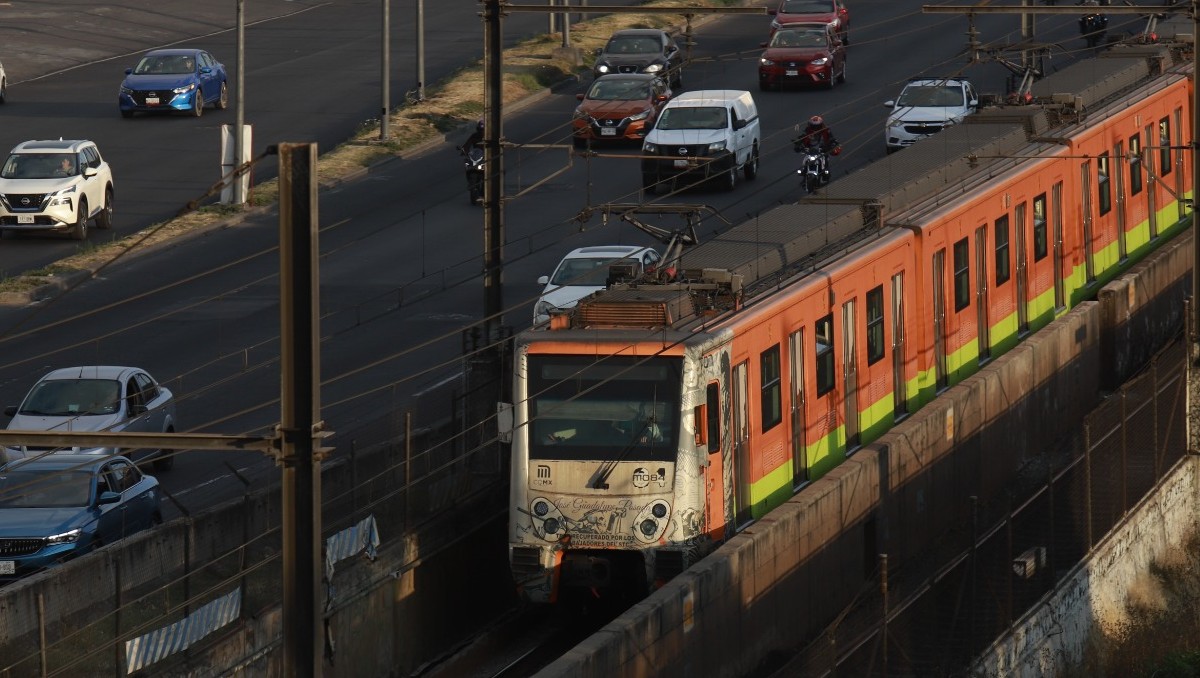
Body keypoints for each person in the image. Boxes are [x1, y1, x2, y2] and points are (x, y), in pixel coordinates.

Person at [794, 115, 838, 180]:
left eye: (817, 126)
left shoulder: (826, 130)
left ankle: (825, 172)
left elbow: (832, 138)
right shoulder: (808, 130)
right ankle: (804, 169)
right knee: (806, 158)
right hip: (811, 149)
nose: (815, 127)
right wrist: (798, 142)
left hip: (822, 149)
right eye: (813, 126)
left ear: (821, 125)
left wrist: (833, 144)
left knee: (825, 158)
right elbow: (803, 137)